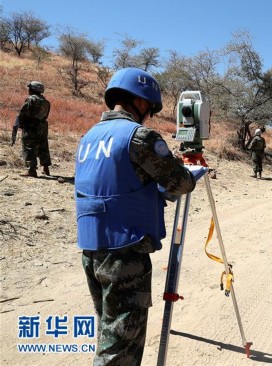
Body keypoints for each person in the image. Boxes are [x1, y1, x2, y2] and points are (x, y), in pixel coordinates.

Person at [74, 67, 197, 365]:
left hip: (92, 249)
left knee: (110, 332)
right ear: (141, 102)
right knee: (120, 350)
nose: (148, 115)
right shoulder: (139, 137)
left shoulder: (89, 137)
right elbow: (179, 183)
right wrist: (192, 174)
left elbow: (115, 183)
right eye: (149, 109)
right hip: (125, 254)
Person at [15, 81, 52, 177]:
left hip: (31, 126)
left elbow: (23, 112)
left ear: (33, 89)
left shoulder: (31, 99)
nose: (29, 90)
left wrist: (20, 124)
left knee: (28, 146)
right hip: (43, 126)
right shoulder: (46, 102)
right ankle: (46, 168)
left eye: (30, 88)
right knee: (43, 146)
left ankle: (31, 170)